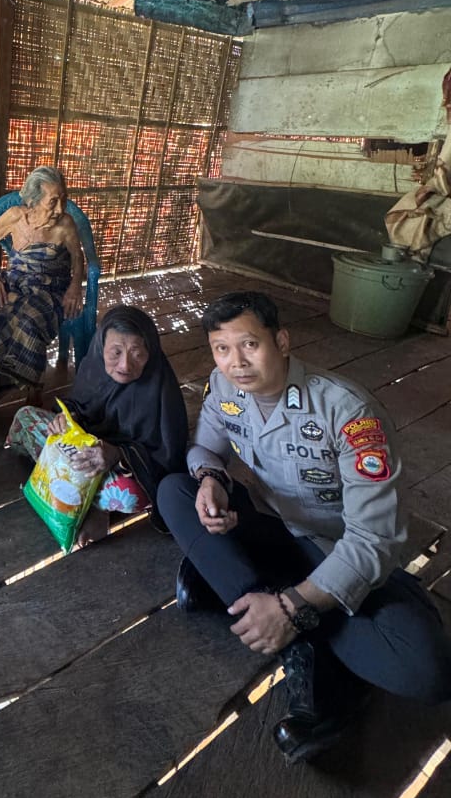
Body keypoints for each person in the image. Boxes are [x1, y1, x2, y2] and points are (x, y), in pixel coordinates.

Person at [157, 290, 451, 763]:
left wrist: (292, 607)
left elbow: (373, 541)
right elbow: (205, 449)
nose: (236, 362)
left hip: (340, 553)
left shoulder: (348, 413)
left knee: (427, 671)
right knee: (175, 491)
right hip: (279, 531)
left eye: (249, 344)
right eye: (222, 349)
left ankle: (269, 606)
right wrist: (211, 478)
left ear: (282, 341)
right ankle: (296, 638)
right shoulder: (224, 388)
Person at [8, 305, 188, 546]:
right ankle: (75, 489)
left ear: (151, 352)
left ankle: (96, 506)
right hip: (85, 451)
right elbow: (79, 405)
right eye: (116, 352)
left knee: (128, 494)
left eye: (137, 354)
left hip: (120, 469)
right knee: (25, 417)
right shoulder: (93, 367)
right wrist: (67, 418)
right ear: (100, 347)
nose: (125, 365)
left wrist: (116, 454)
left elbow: (165, 456)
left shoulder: (161, 389)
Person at [0, 167, 85, 408]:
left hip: (49, 289)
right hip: (15, 282)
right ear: (33, 201)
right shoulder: (15, 216)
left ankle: (32, 385)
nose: (60, 209)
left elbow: (78, 259)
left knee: (29, 320)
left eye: (64, 199)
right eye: (53, 202)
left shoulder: (65, 224)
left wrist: (74, 287)